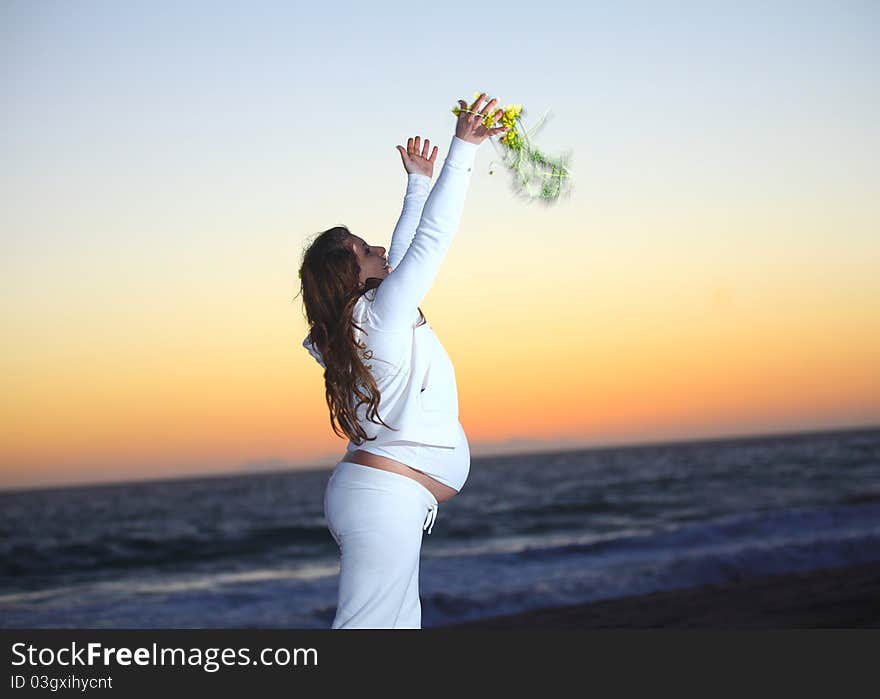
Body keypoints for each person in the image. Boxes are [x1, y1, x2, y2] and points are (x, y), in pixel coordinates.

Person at [297, 93, 508, 628]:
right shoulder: (380, 316)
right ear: (356, 278)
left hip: (383, 497)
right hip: (383, 499)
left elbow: (404, 253)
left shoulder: (350, 327)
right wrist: (464, 149)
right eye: (367, 252)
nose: (380, 253)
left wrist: (417, 183)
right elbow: (428, 245)